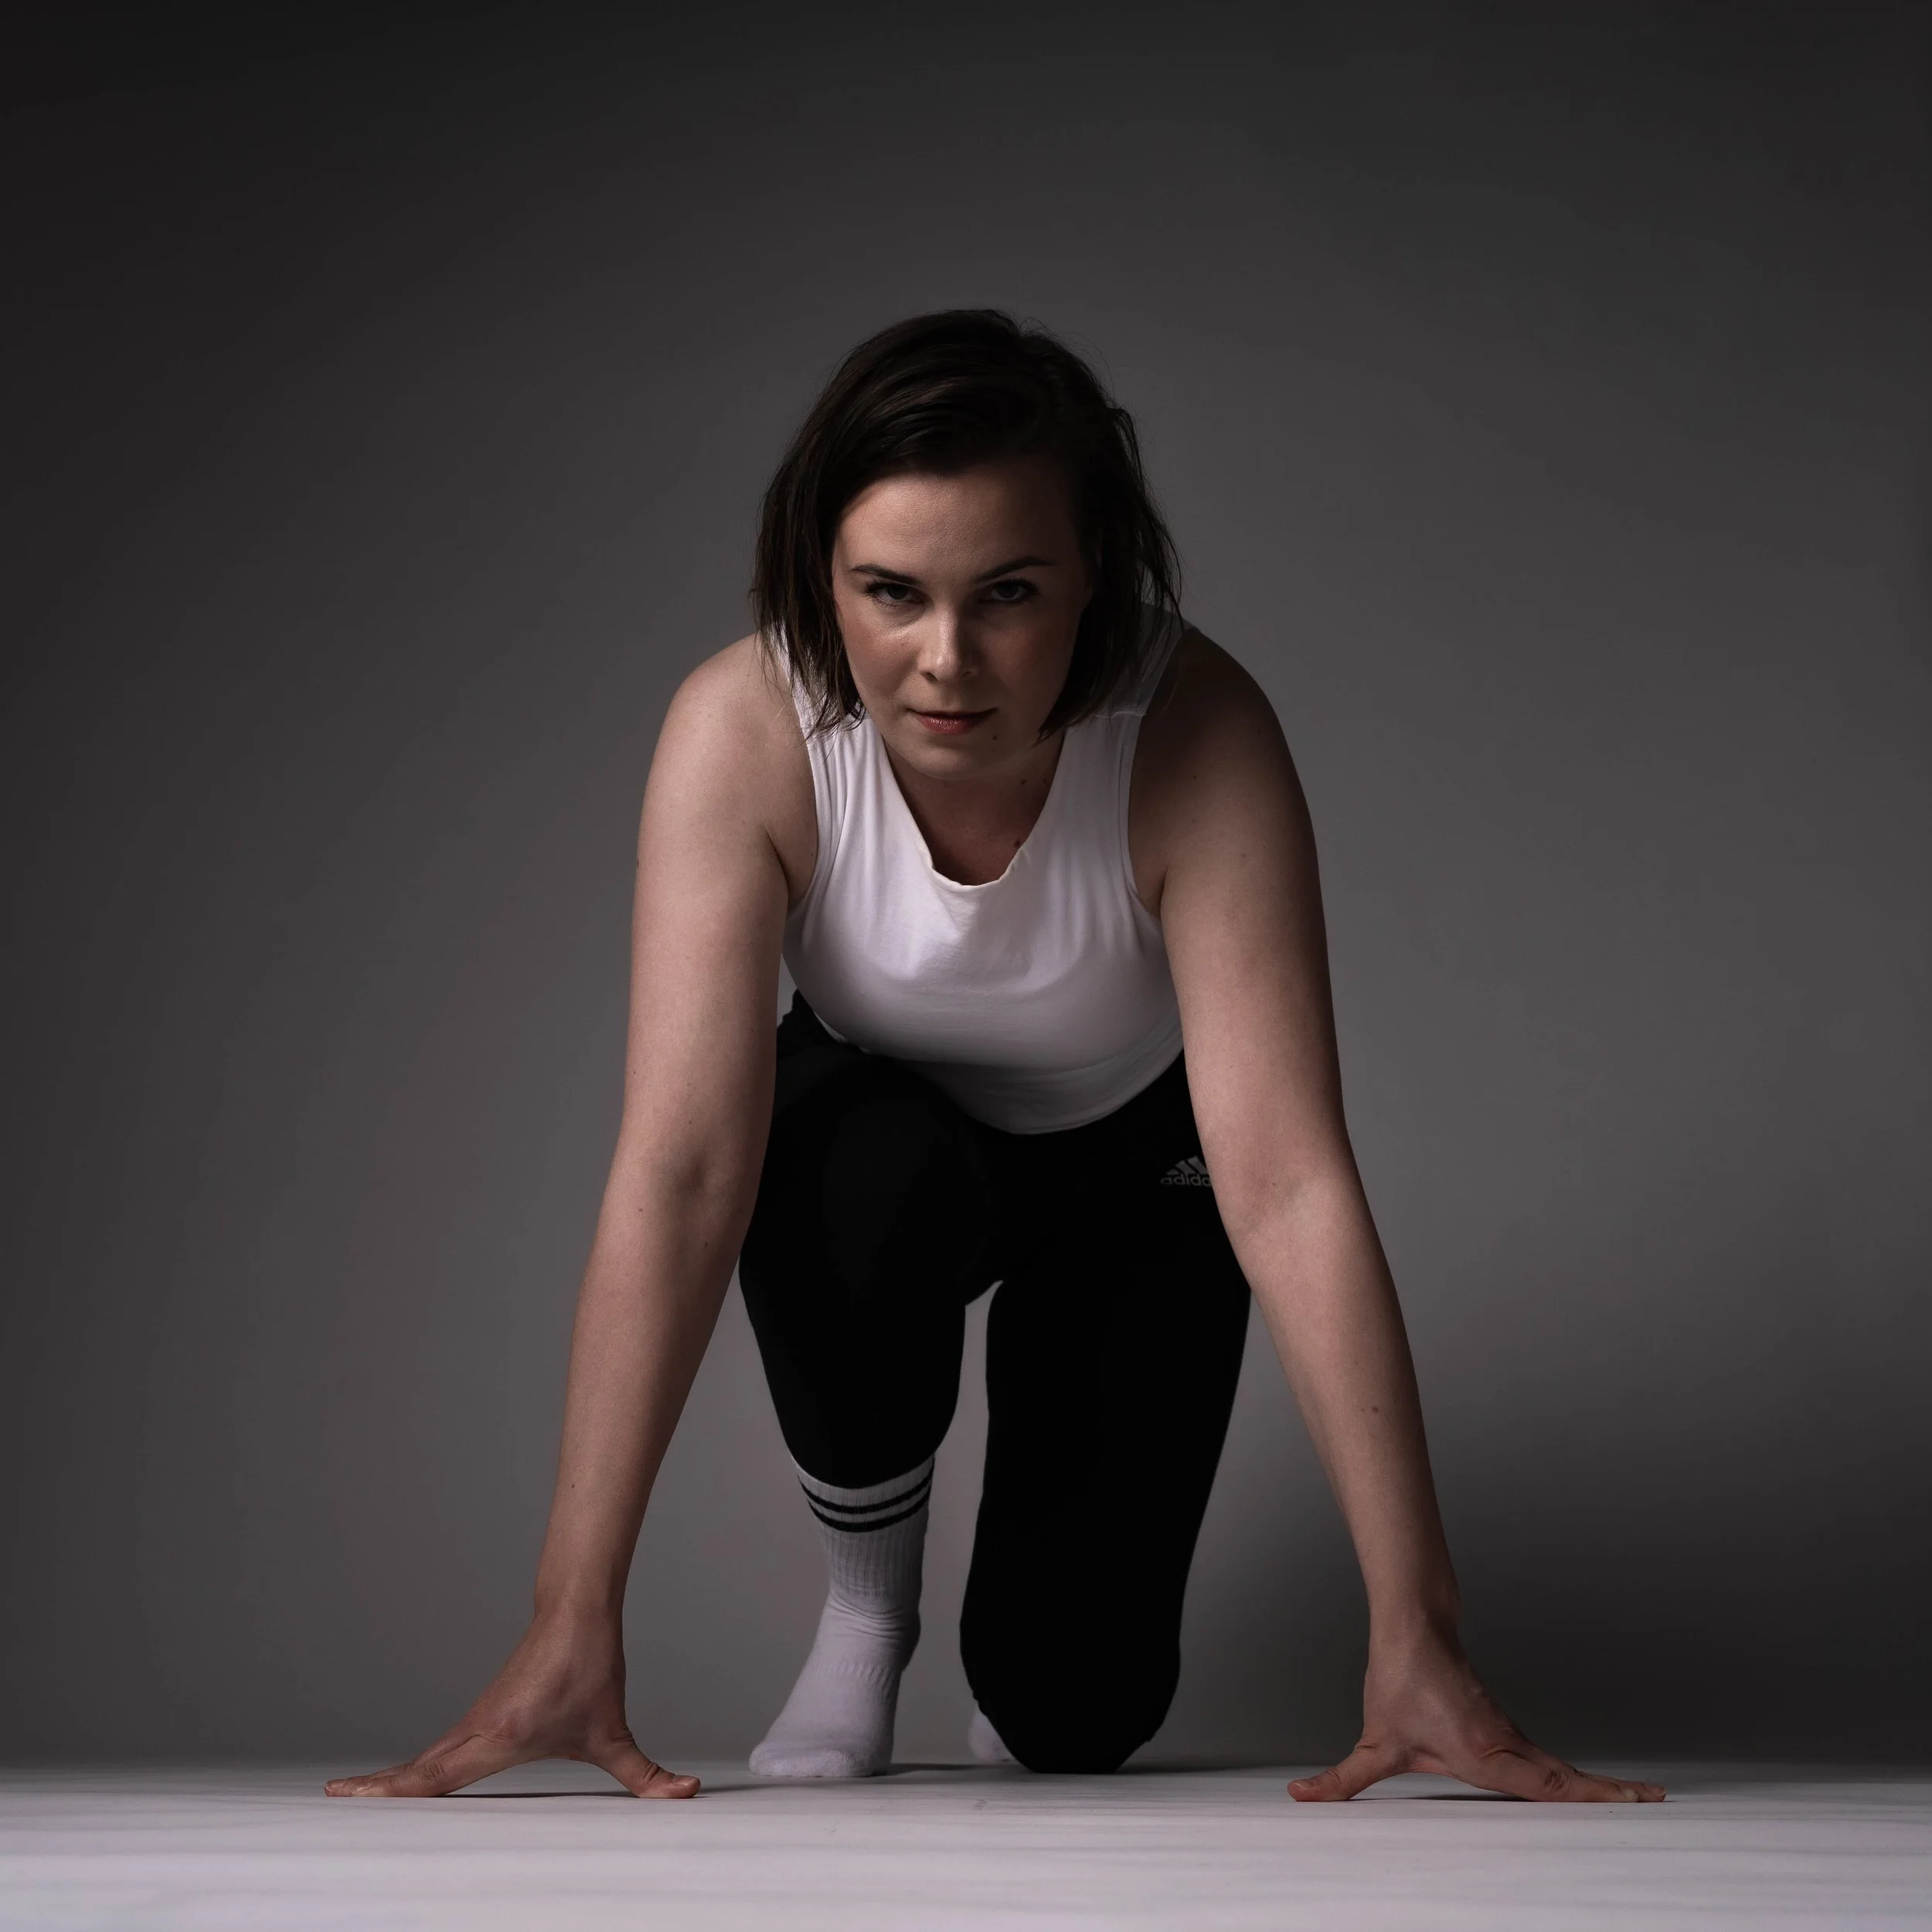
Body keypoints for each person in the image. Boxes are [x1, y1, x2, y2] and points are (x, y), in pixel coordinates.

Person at [326, 311, 1664, 1804]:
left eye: (1008, 595)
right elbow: (686, 1168)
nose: (945, 661)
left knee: (1071, 1720)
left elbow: (1286, 1181)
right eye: (889, 594)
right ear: (817, 579)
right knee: (836, 1156)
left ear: (1093, 574)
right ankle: (868, 1608)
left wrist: (1418, 1631)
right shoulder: (746, 730)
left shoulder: (1194, 731)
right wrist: (568, 1625)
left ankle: (1038, 1650)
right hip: (872, 1149)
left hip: (1133, 1167)